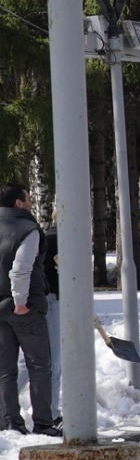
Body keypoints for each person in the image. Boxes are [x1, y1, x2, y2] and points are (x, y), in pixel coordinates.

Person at [0, 184, 59, 437]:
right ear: (18, 203)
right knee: (39, 365)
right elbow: (21, 268)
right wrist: (21, 301)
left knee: (5, 368)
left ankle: (10, 422)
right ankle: (44, 423)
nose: (32, 202)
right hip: (25, 308)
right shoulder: (28, 229)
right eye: (28, 198)